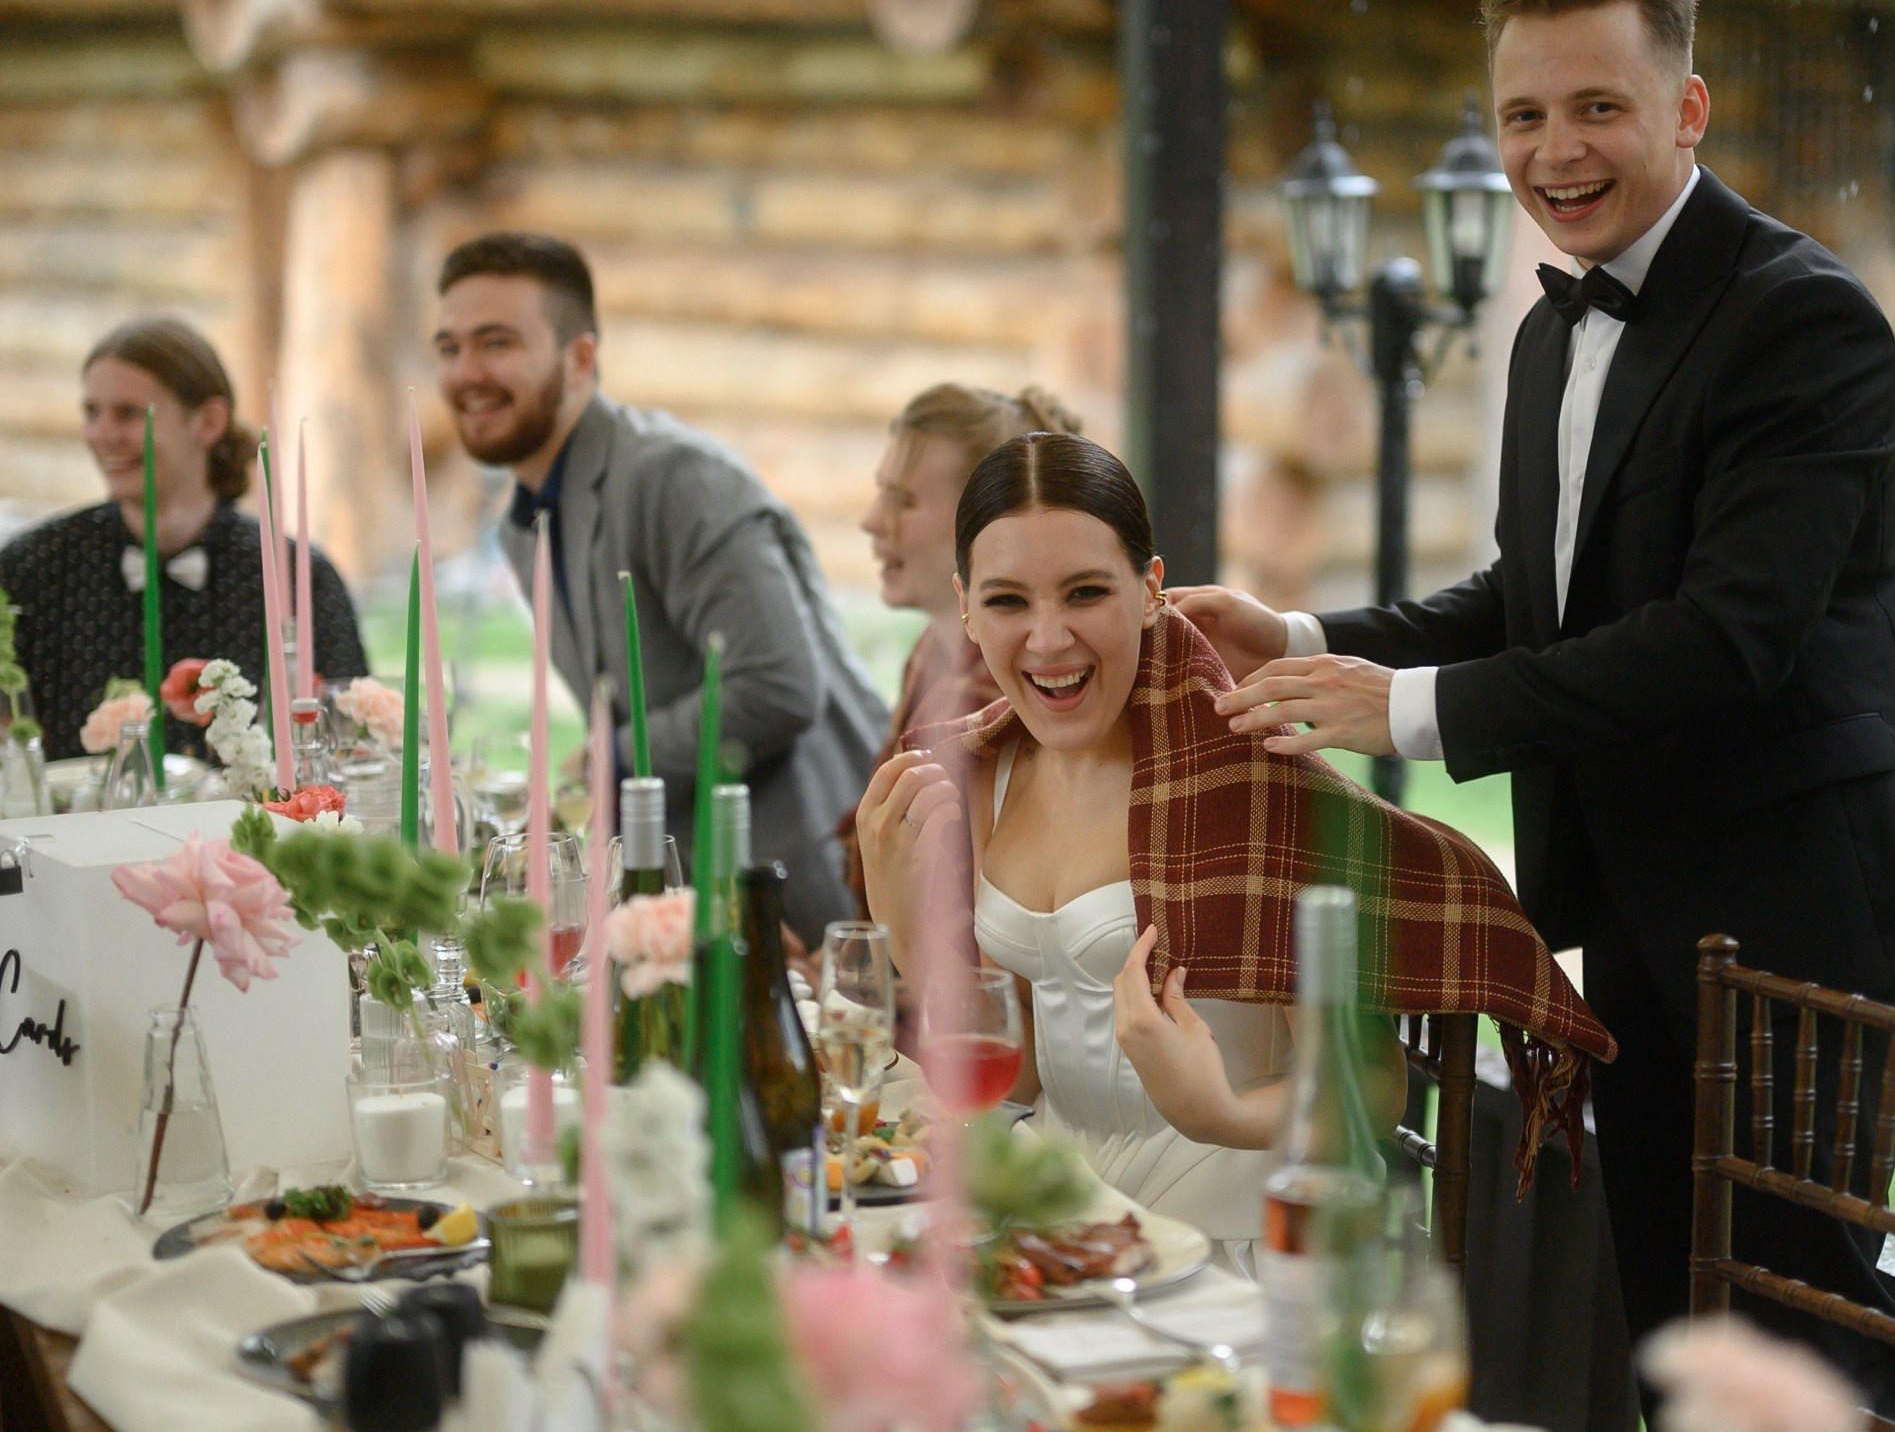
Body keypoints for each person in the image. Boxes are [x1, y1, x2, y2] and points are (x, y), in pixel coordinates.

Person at [1172, 0, 1895, 1418]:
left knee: (1802, 1338)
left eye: (1597, 107)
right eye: (1523, 115)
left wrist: (1404, 711)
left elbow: (1726, 639)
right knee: (1672, 1315)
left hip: (1801, 904)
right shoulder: (1551, 332)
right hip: (1636, 891)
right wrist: (1303, 637)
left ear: (1687, 107)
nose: (1555, 150)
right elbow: (1532, 599)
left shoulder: (1806, 320)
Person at [854, 432, 1612, 1245]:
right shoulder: (985, 774)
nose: (1047, 639)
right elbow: (1028, 1071)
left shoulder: (1247, 782)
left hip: (1246, 1246)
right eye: (1008, 601)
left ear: (1150, 590)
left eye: (1084, 593)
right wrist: (909, 938)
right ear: (965, 601)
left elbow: (1369, 1089)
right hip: (1069, 1232)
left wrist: (1219, 1111)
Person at [433, 231, 887, 944]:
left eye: (496, 343)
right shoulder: (523, 519)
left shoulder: (671, 478)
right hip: (684, 903)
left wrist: (608, 758)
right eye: (450, 347)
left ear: (581, 357)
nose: (466, 372)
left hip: (800, 896)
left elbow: (777, 684)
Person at [0, 317, 367, 761]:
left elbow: (349, 740)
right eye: (92, 412)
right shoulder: (32, 567)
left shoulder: (297, 575)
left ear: (209, 422)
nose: (102, 436)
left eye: (129, 414)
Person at [842, 384, 1084, 908]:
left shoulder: (1012, 695)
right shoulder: (931, 652)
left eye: (902, 501)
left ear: (984, 522)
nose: (870, 520)